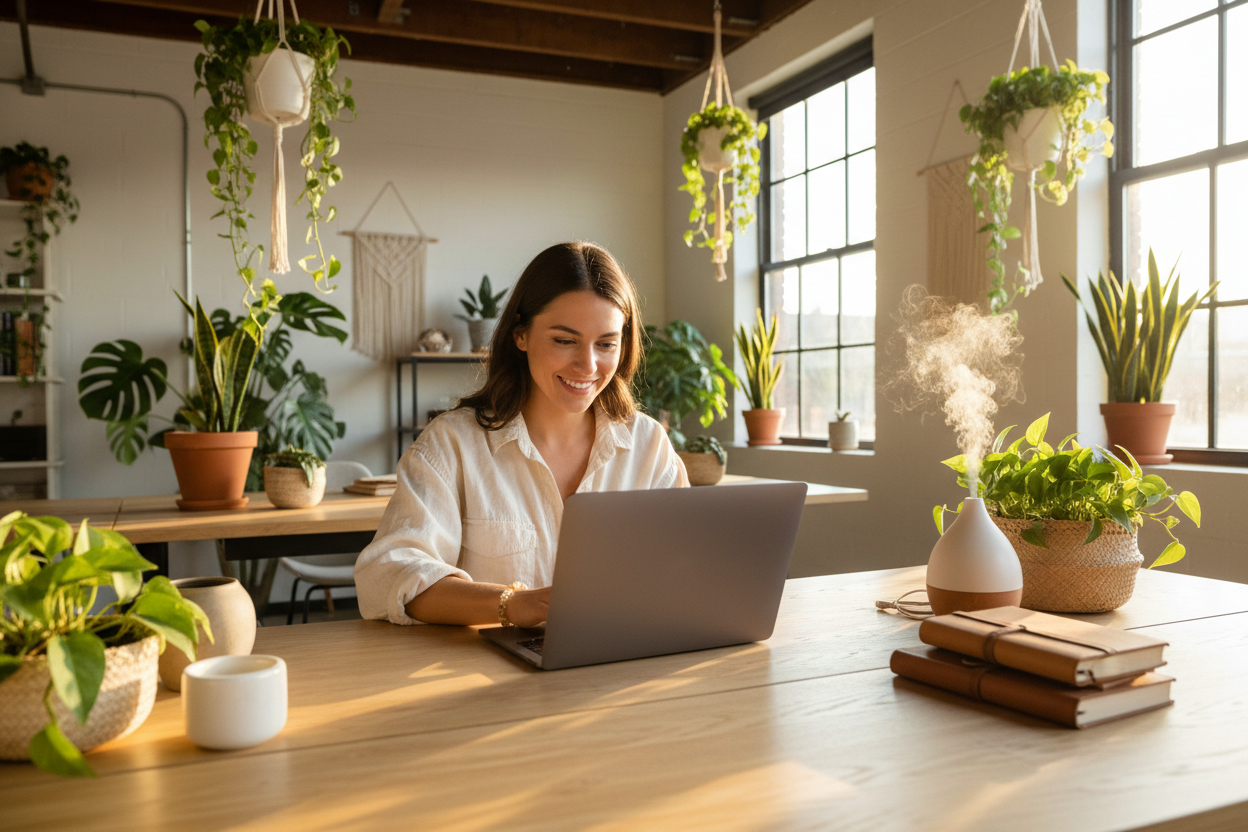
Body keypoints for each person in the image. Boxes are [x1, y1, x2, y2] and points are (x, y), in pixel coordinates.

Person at [355, 242, 689, 628]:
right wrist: (510, 604)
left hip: (618, 668)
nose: (588, 365)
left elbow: (683, 568)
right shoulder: (452, 444)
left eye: (606, 344)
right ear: (520, 335)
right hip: (484, 679)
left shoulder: (648, 447)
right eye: (565, 341)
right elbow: (387, 575)